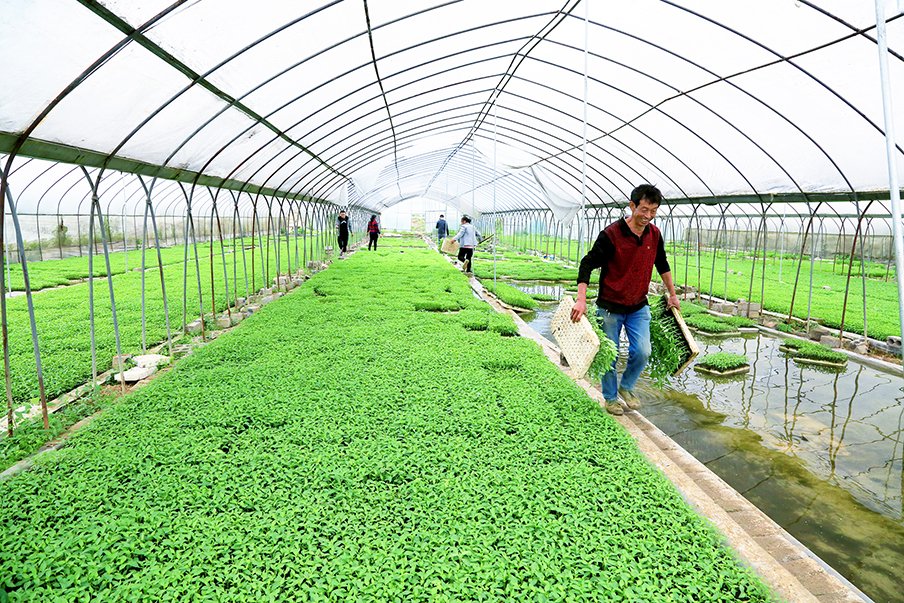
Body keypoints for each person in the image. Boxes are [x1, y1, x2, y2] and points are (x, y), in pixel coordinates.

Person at [570, 184, 680, 416]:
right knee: (610, 355)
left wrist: (673, 294)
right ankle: (610, 398)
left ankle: (626, 387)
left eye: (653, 211)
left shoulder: (655, 234)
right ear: (632, 206)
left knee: (642, 351)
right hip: (610, 306)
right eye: (644, 209)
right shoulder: (611, 235)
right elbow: (587, 264)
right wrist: (581, 300)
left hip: (639, 305)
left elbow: (662, 263)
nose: (648, 216)